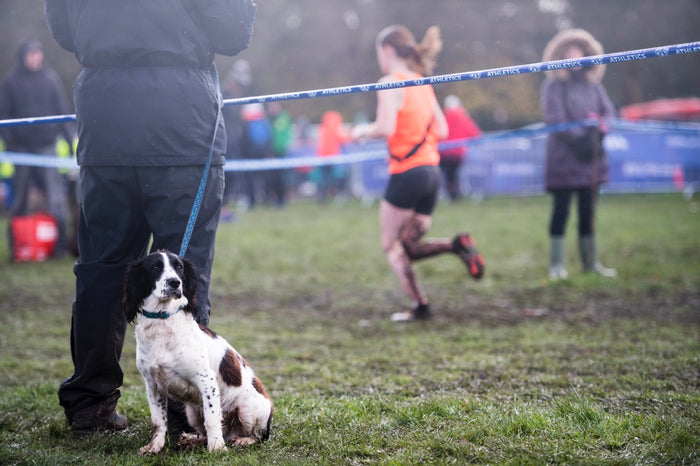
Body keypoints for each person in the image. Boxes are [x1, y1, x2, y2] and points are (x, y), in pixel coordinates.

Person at [44, 0, 256, 434]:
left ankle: (90, 404)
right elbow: (233, 33)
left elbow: (65, 32)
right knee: (183, 267)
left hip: (106, 120)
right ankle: (183, 411)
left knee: (102, 269)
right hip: (182, 123)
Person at [351, 25, 485, 322]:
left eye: (378, 53)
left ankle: (420, 307)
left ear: (387, 50)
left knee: (391, 245)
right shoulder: (421, 82)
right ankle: (457, 245)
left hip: (407, 173)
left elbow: (384, 128)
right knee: (409, 246)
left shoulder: (389, 82)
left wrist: (360, 132)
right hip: (431, 173)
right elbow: (442, 128)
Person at [541, 29, 617, 280]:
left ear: (586, 53)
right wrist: (584, 137)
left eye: (578, 50)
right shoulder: (554, 86)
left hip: (591, 161)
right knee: (561, 211)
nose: (574, 55)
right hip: (564, 159)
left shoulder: (593, 85)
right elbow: (557, 120)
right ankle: (556, 266)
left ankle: (591, 263)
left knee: (588, 212)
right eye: (568, 51)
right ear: (561, 55)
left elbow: (608, 114)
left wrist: (600, 129)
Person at [0, 39, 74, 259]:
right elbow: (4, 114)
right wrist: (12, 142)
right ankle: (17, 246)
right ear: (23, 57)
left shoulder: (50, 79)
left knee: (56, 199)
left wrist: (70, 142)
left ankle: (59, 247)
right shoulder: (11, 81)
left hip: (46, 147)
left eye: (37, 54)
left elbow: (62, 111)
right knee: (20, 200)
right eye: (30, 55)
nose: (35, 58)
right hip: (21, 150)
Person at [439, 94, 481, 201]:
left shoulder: (443, 117)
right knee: (454, 175)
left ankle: (451, 195)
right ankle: (455, 195)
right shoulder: (464, 118)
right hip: (458, 153)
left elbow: (438, 133)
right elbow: (475, 134)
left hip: (444, 152)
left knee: (448, 176)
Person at [240, 102, 272, 209]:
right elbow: (269, 139)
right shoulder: (264, 122)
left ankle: (252, 201)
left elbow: (244, 141)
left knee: (250, 180)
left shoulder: (246, 124)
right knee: (265, 178)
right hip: (263, 154)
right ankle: (267, 199)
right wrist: (268, 153)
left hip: (250, 156)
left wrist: (244, 155)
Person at [316, 110, 349, 203]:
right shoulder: (336, 128)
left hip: (322, 157)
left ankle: (322, 198)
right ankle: (337, 195)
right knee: (337, 177)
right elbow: (344, 139)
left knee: (323, 179)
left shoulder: (322, 128)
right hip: (333, 157)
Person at [267, 101, 293, 207]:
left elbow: (282, 136)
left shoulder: (283, 118)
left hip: (281, 152)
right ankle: (275, 199)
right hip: (271, 152)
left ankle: (282, 200)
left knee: (282, 178)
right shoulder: (269, 118)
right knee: (273, 178)